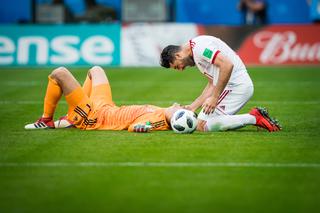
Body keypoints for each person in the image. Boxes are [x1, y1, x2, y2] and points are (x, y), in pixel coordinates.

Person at [160, 35, 281, 132]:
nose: (181, 69)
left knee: (202, 125)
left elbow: (227, 65)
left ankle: (254, 117)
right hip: (235, 86)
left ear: (178, 55)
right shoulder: (196, 53)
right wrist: (193, 107)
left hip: (236, 86)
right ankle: (255, 118)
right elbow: (212, 84)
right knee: (208, 123)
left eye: (177, 66)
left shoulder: (200, 48)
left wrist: (214, 97)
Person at [24, 66, 184, 133]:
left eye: (181, 110)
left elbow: (137, 126)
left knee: (59, 73)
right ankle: (71, 118)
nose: (181, 105)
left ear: (176, 118)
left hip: (94, 117)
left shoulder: (158, 120)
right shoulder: (162, 112)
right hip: (106, 107)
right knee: (95, 70)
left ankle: (46, 120)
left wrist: (141, 127)